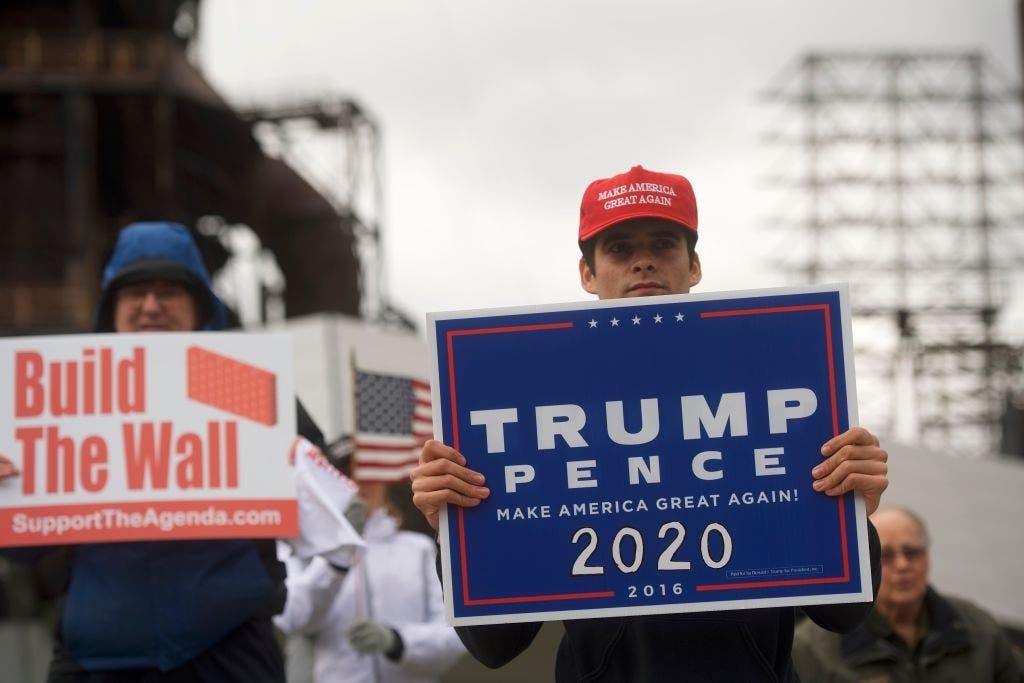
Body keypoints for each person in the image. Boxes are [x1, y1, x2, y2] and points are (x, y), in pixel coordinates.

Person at [409, 165, 891, 682]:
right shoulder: (530, 402)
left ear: (694, 265)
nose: (643, 262)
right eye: (619, 249)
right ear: (587, 274)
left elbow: (843, 615)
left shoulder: (773, 381)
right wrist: (456, 534)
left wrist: (853, 511)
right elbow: (494, 645)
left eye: (663, 244)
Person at [1, 222, 291, 681]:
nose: (151, 307)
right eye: (135, 292)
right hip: (93, 659)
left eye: (169, 291)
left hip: (228, 655)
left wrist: (303, 467)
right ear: (110, 309)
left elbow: (327, 506)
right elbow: (21, 551)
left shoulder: (247, 384)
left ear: (201, 306)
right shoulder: (61, 395)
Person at [792, 506, 1024, 682]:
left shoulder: (978, 628)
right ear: (861, 562)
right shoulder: (813, 647)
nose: (903, 565)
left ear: (927, 557)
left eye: (912, 552)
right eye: (886, 555)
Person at [275, 478, 466, 683]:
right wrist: (336, 558)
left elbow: (456, 634)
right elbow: (293, 619)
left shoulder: (419, 549)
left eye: (368, 476)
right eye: (344, 473)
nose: (357, 484)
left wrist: (398, 642)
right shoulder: (304, 547)